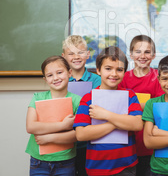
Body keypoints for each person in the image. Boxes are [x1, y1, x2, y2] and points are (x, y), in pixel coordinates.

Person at [73, 46, 143, 176]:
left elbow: (137, 124)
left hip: (126, 167)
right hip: (97, 167)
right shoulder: (88, 98)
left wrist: (105, 115)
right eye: (108, 68)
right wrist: (120, 121)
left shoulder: (130, 95)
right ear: (98, 70)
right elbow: (81, 135)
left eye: (119, 70)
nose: (114, 74)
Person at [25, 56, 81, 176]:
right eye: (50, 75)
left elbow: (78, 134)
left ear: (69, 72)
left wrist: (48, 138)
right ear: (45, 79)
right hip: (38, 161)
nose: (55, 78)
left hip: (65, 161)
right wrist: (63, 125)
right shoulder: (37, 97)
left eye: (59, 72)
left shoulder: (78, 101)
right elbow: (31, 127)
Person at [120, 35, 164, 176]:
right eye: (138, 51)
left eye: (147, 52)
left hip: (152, 141)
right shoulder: (123, 78)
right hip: (128, 142)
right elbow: (118, 106)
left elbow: (160, 106)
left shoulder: (159, 77)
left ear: (154, 55)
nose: (142, 56)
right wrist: (147, 104)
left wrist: (131, 105)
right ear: (131, 54)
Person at [62, 35, 101, 175]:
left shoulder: (98, 80)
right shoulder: (61, 80)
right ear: (63, 56)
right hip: (66, 142)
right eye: (71, 53)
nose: (76, 57)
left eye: (80, 52)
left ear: (88, 54)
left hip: (89, 143)